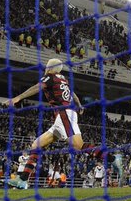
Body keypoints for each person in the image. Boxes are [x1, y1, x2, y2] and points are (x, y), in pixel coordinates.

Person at [6, 58, 84, 189]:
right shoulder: (63, 80)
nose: (45, 69)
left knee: (79, 146)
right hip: (63, 116)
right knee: (36, 144)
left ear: (50, 68)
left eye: (47, 67)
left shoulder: (50, 77)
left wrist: (17, 98)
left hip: (64, 114)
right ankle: (23, 180)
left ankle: (110, 157)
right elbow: (73, 94)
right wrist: (80, 105)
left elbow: (37, 87)